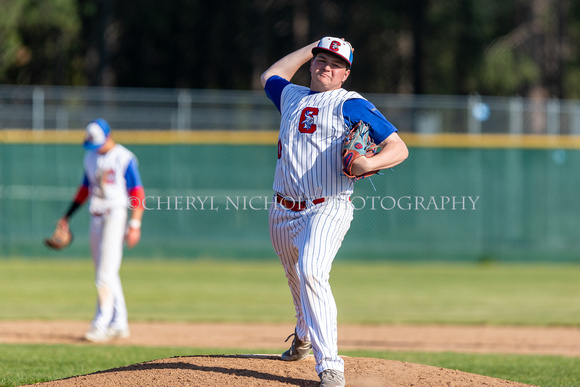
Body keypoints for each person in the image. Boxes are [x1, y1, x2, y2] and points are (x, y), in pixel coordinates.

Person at [260, 37, 408, 386]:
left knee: (311, 270)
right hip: (282, 208)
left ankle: (330, 366)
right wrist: (312, 45)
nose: (327, 67)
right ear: (311, 64)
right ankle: (303, 332)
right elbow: (270, 75)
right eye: (321, 60)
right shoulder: (291, 96)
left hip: (327, 206)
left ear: (346, 74)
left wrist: (368, 162)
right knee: (296, 277)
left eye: (336, 64)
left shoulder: (350, 103)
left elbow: (398, 148)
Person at [57, 118, 145, 343]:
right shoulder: (90, 157)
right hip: (95, 216)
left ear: (109, 135)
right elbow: (84, 190)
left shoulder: (124, 158)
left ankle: (100, 324)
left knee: (104, 273)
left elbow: (137, 192)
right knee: (106, 271)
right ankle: (119, 323)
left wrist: (135, 224)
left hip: (115, 215)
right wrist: (67, 216)